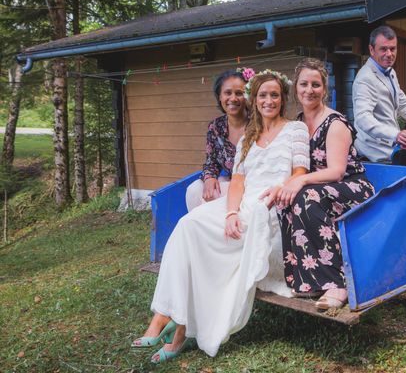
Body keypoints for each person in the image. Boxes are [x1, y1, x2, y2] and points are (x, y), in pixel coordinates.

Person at [131, 71, 310, 362]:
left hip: (272, 203)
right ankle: (163, 315)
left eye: (274, 95)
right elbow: (238, 180)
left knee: (206, 247)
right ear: (255, 99)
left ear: (283, 98)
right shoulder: (248, 137)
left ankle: (178, 332)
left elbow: (300, 172)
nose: (268, 101)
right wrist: (229, 212)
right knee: (189, 225)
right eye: (262, 95)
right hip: (241, 200)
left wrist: (283, 187)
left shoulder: (295, 130)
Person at [276, 58, 375, 310]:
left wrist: (299, 181)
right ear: (296, 88)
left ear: (325, 89)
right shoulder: (296, 123)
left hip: (351, 187)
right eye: (304, 84)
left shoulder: (334, 123)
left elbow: (337, 171)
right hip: (316, 187)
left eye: (316, 85)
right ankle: (307, 280)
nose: (309, 90)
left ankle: (337, 283)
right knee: (286, 200)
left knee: (307, 198)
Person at [352, 25, 406, 162]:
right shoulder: (365, 78)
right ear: (372, 50)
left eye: (392, 48)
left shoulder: (390, 72)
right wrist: (396, 135)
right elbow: (363, 118)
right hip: (374, 152)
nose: (389, 54)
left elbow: (404, 107)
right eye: (383, 49)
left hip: (390, 146)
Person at [185, 68, 253, 211]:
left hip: (253, 185)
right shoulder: (216, 127)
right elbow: (211, 162)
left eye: (239, 93)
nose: (233, 98)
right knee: (194, 190)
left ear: (248, 96)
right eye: (228, 93)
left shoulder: (258, 123)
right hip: (230, 181)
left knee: (212, 199)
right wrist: (209, 177)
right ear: (220, 96)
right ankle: (200, 231)